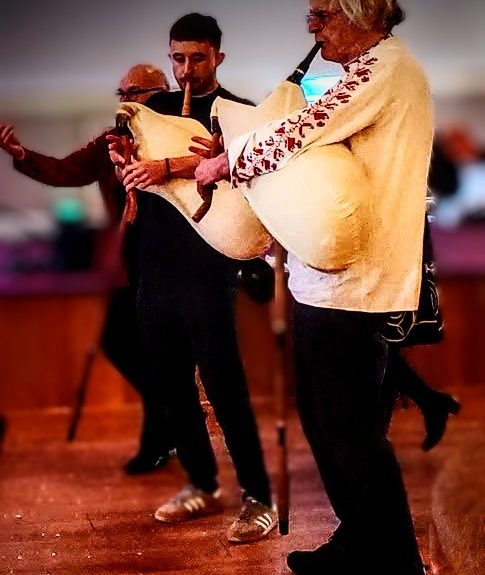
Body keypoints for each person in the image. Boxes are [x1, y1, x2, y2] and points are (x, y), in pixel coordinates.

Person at [196, 1, 434, 572]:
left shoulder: (386, 70)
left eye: (324, 14)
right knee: (327, 423)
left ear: (363, 12)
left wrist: (228, 161)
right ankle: (359, 543)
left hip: (357, 284)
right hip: (330, 281)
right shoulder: (371, 71)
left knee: (350, 431)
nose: (311, 26)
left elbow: (304, 129)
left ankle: (396, 562)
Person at [108, 13, 276, 543]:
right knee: (170, 386)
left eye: (198, 58)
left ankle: (259, 497)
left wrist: (169, 167)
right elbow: (130, 172)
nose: (186, 69)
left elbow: (247, 172)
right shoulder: (151, 110)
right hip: (154, 264)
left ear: (217, 57)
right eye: (178, 58)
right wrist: (123, 161)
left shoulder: (238, 113)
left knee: (225, 387)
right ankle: (202, 484)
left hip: (208, 267)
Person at [0, 64, 175, 475]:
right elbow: (66, 171)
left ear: (161, 93)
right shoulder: (109, 143)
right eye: (121, 93)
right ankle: (170, 414)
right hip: (130, 264)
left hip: (168, 262)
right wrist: (22, 155)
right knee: (119, 343)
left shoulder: (175, 137)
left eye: (134, 92)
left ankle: (162, 435)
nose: (125, 100)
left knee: (159, 352)